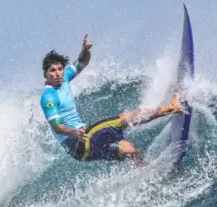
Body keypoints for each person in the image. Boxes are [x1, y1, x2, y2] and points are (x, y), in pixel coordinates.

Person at [40, 34, 181, 166]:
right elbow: (57, 128)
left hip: (83, 151)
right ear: (46, 73)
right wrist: (75, 132)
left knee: (129, 149)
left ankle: (145, 174)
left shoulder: (64, 78)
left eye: (60, 69)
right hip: (77, 143)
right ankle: (171, 107)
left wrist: (85, 50)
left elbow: (83, 61)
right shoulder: (48, 97)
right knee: (124, 119)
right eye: (53, 70)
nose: (58, 73)